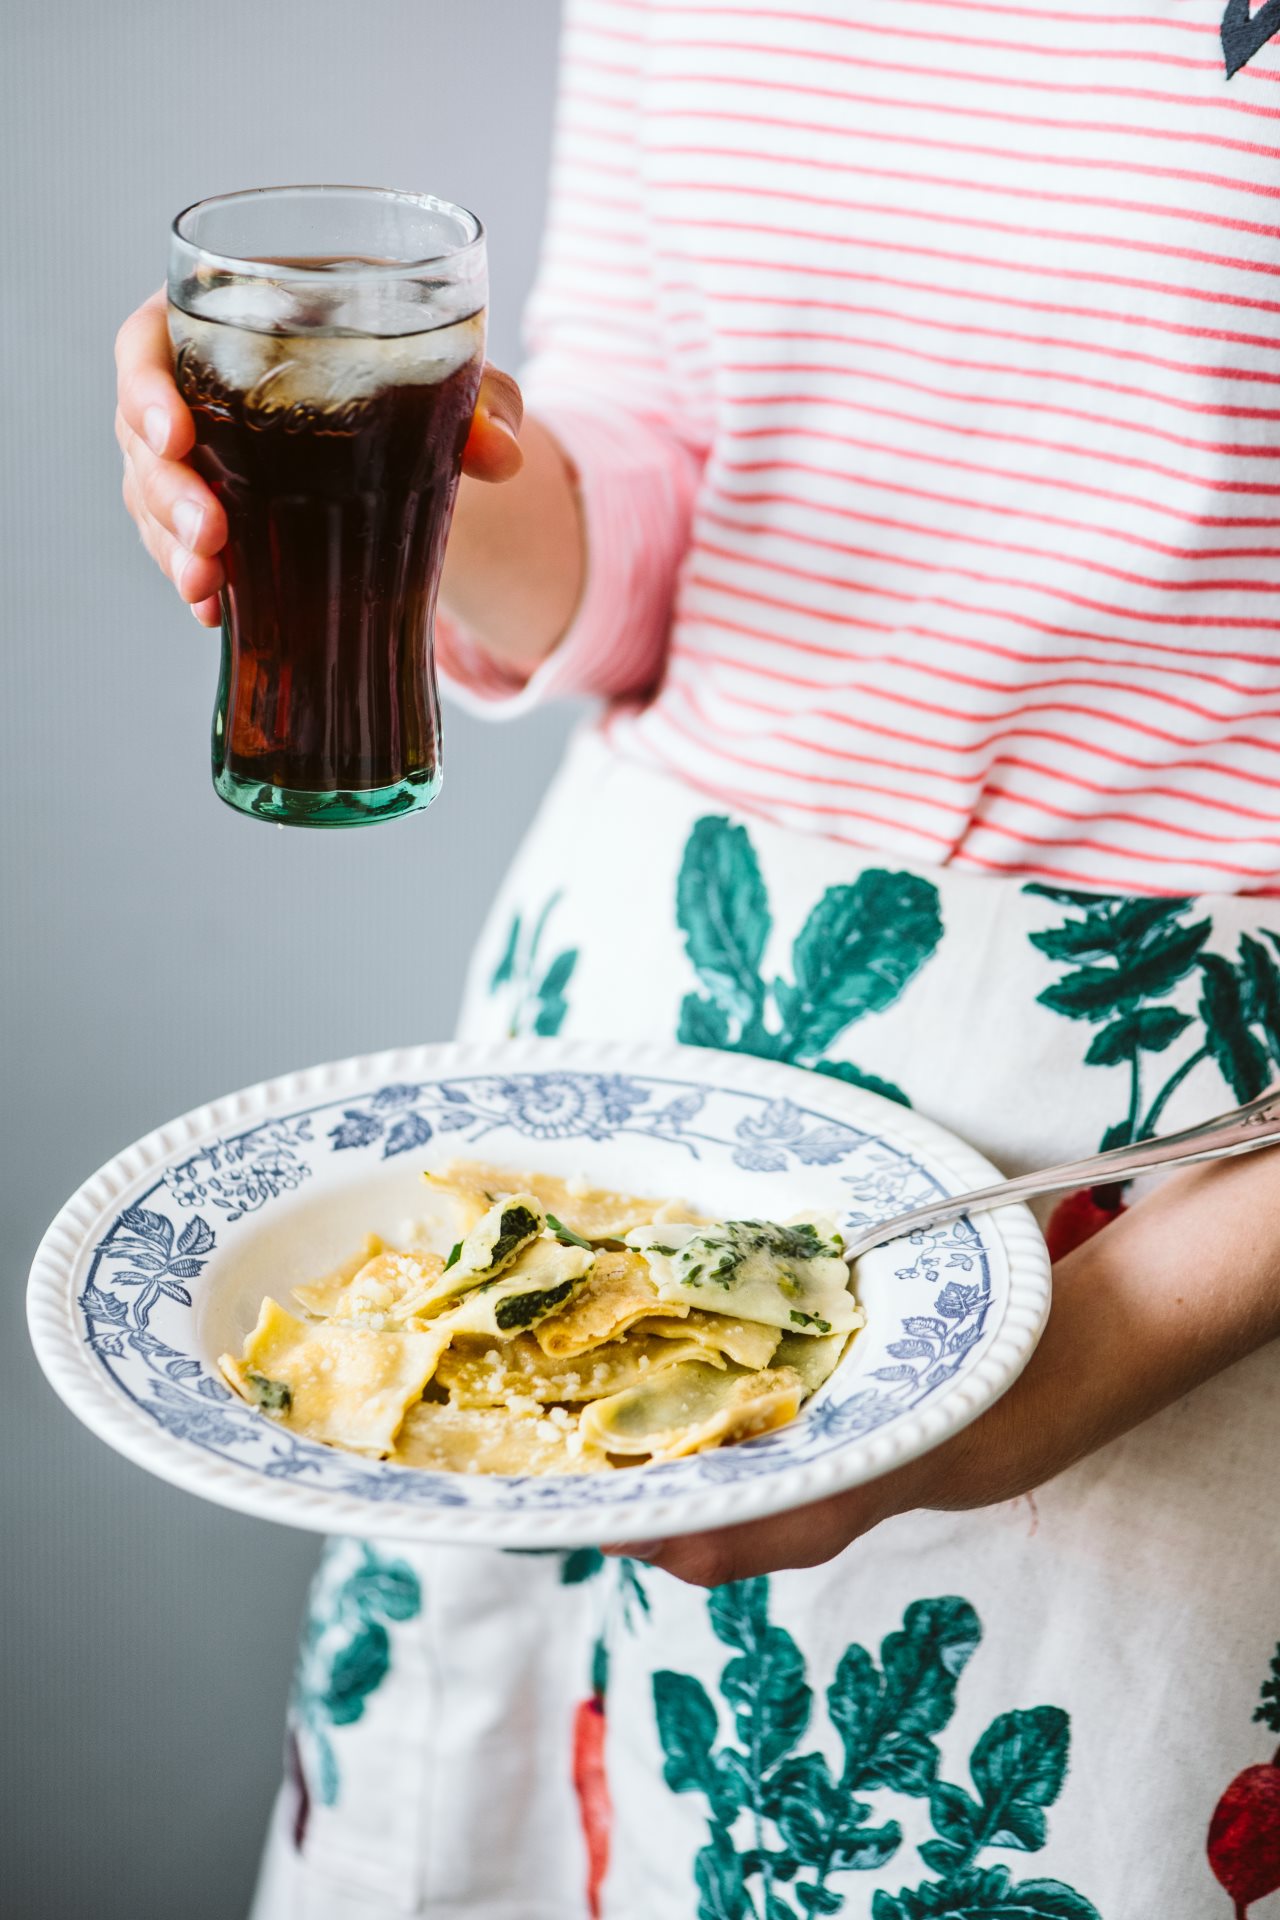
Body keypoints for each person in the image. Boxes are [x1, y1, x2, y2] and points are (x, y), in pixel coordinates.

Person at [115, 4, 1280, 1914]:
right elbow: (649, 514)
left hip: (1182, 1216)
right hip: (614, 1100)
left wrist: (1080, 1363)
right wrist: (354, 429)